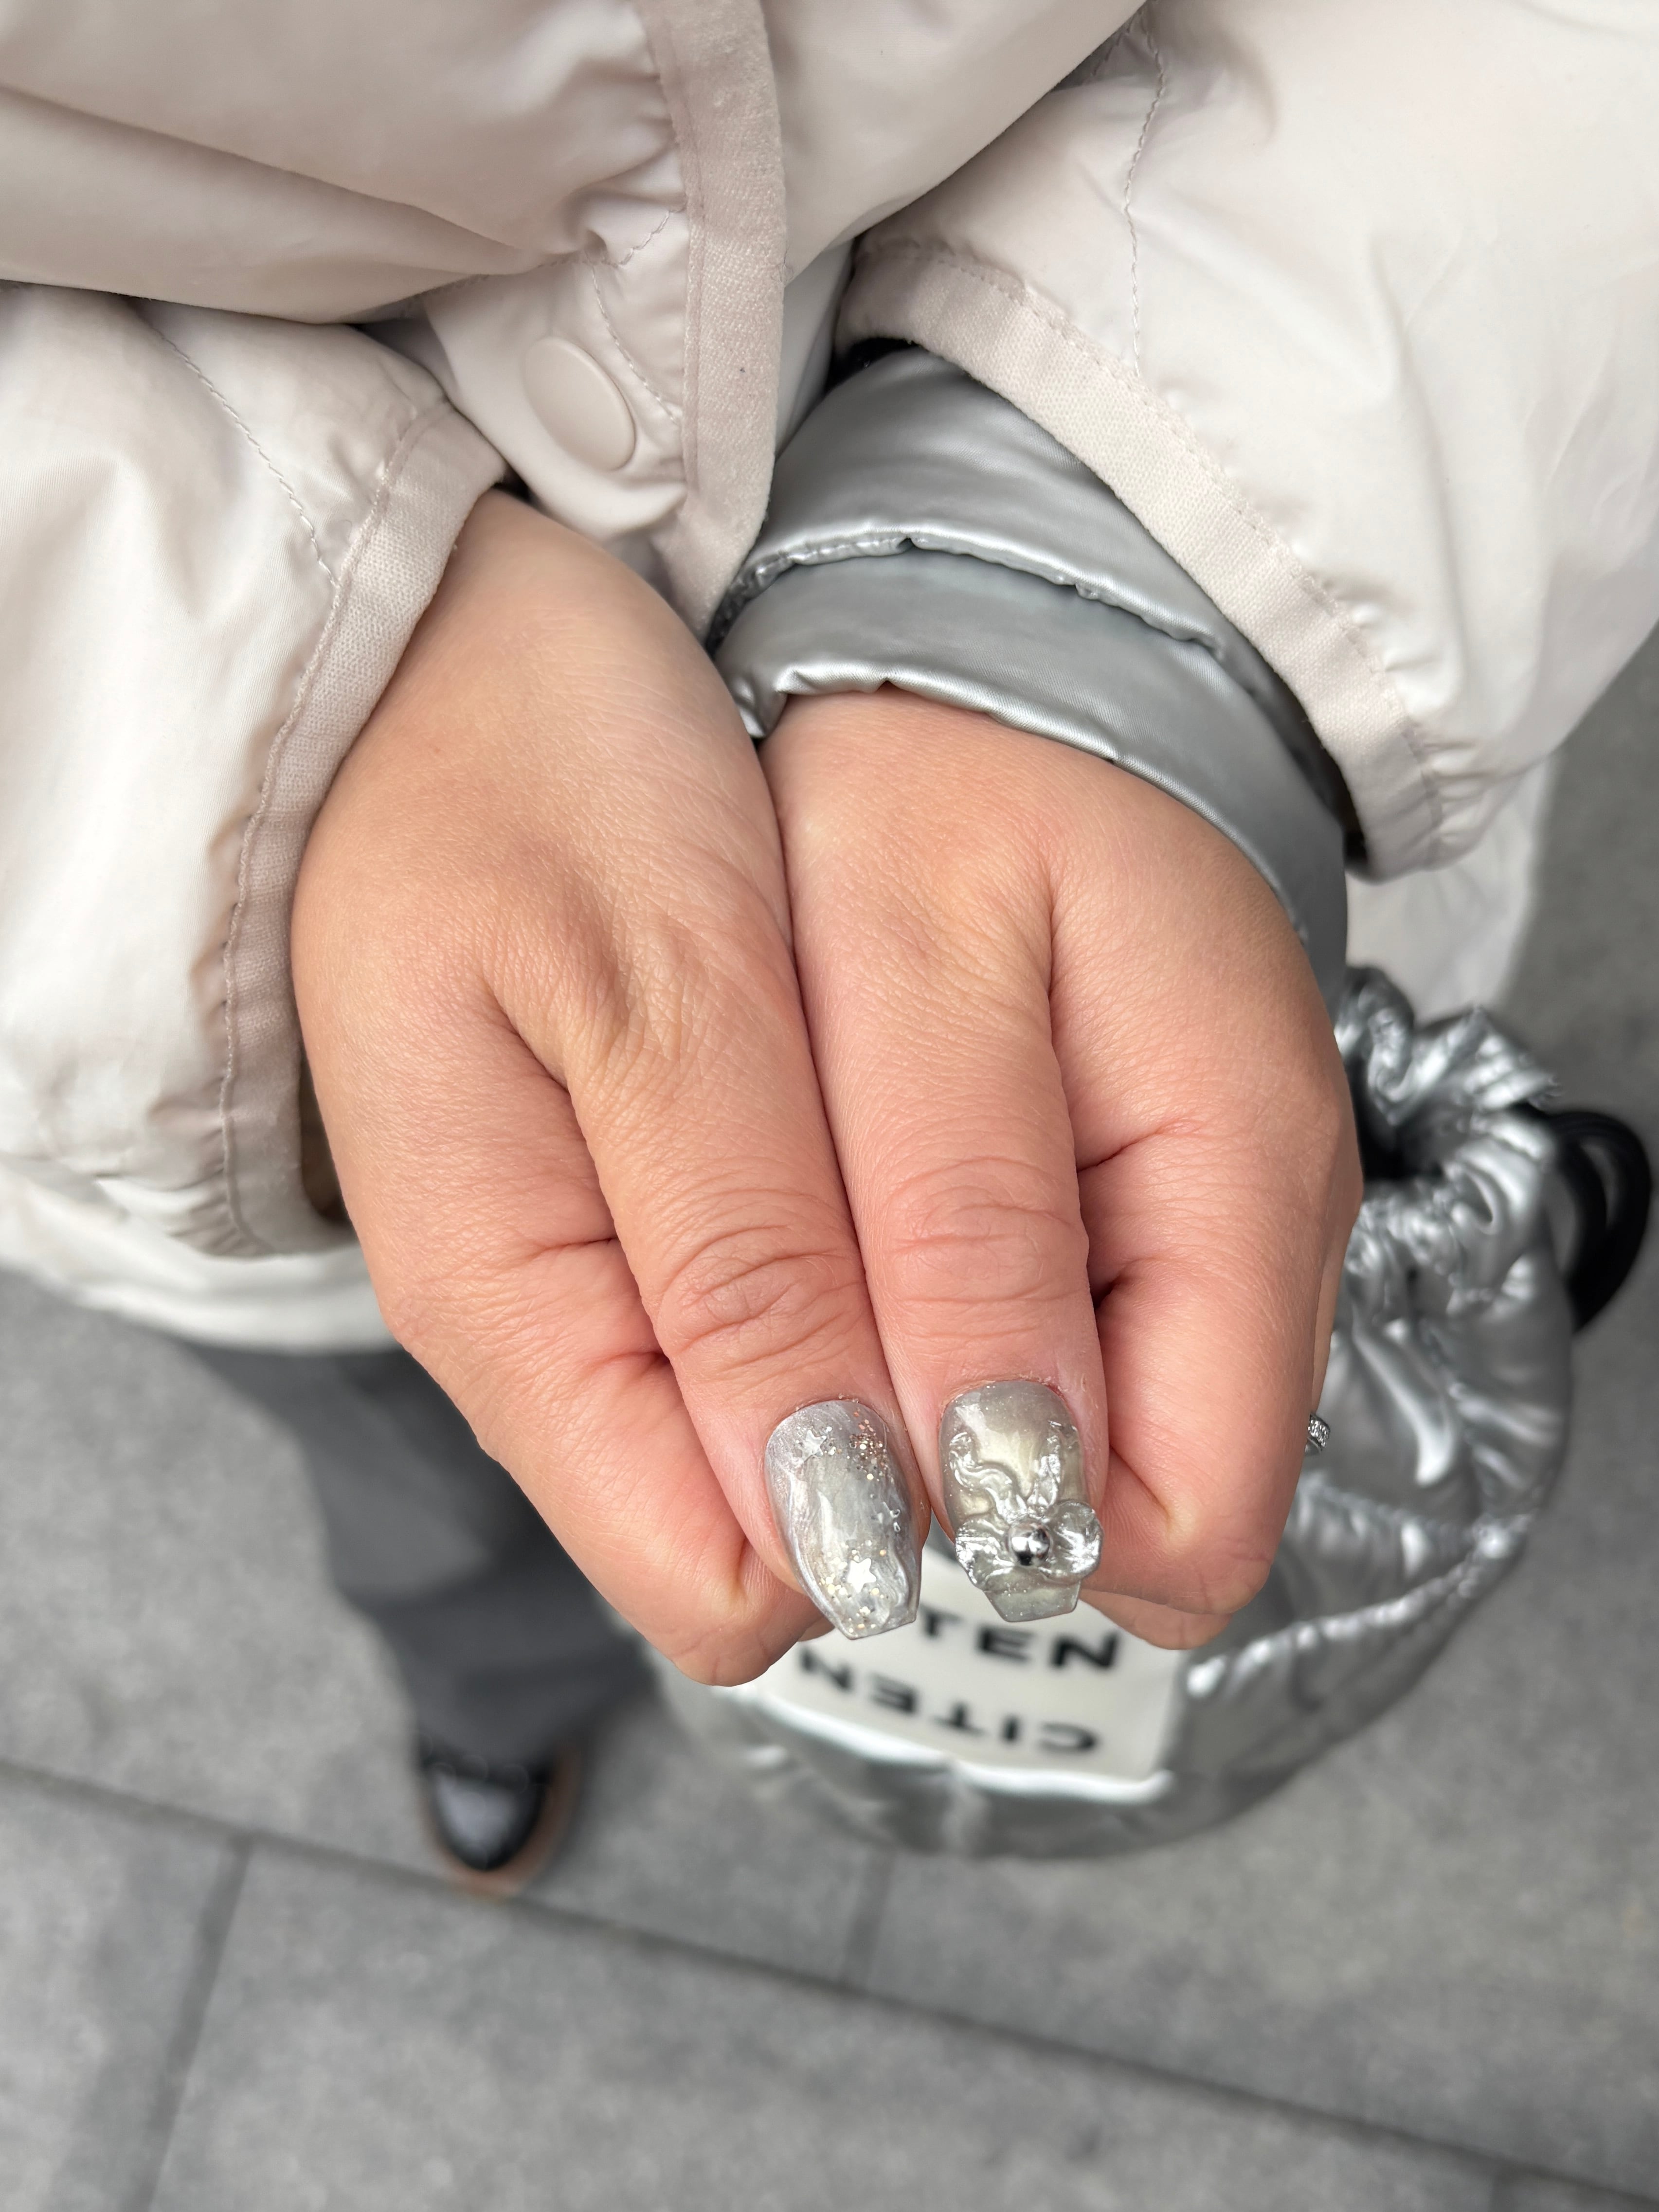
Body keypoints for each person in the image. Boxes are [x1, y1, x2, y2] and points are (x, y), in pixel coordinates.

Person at [2, 1, 1655, 1891]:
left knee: (1072, 1354)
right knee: (423, 1466)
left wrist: (1123, 550)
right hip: (201, 1016)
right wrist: (245, 703)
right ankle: (494, 1684)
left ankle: (519, 1683)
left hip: (1191, 795)